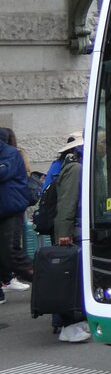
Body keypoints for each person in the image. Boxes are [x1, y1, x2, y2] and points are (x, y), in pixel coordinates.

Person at [52, 144, 90, 343]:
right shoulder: (77, 169)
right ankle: (69, 325)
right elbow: (67, 203)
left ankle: (70, 322)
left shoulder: (75, 166)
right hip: (74, 230)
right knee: (73, 278)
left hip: (75, 228)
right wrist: (64, 232)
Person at [0, 127, 36, 305]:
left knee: (11, 252)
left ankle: (43, 279)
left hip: (10, 209)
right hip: (4, 208)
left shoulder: (11, 154)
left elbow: (3, 172)